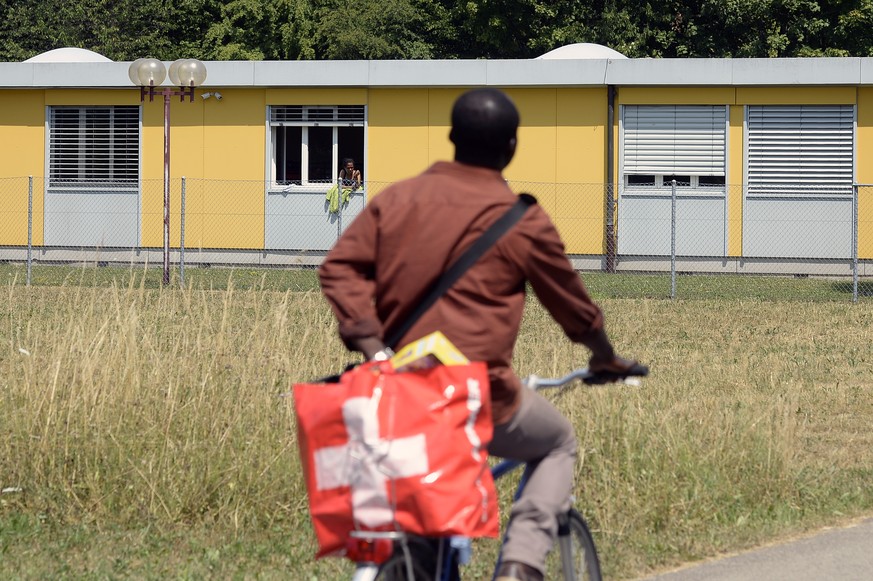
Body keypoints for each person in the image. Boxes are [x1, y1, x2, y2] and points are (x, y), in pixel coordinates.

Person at [318, 88, 643, 581]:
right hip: (482, 400)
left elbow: (338, 268)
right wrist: (606, 359)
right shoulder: (522, 221)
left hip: (399, 396)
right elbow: (577, 312)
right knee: (558, 442)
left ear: (451, 137)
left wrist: (375, 348)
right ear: (512, 146)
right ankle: (521, 564)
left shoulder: (397, 199)